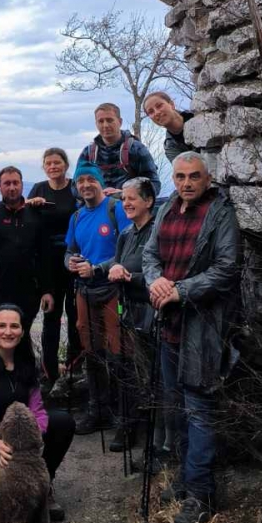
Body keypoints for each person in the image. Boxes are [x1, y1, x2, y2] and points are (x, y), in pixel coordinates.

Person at [142, 153, 242, 523]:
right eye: (180, 176)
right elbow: (151, 254)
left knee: (198, 410)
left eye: (194, 177)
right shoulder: (168, 208)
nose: (186, 183)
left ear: (207, 179)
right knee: (176, 408)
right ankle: (186, 478)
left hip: (202, 327)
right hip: (169, 325)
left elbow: (227, 269)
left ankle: (201, 494)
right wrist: (155, 281)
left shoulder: (219, 214)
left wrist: (181, 291)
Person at [0, 305, 75, 521]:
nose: (7, 332)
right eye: (1, 325)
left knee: (61, 421)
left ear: (22, 331)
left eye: (14, 326)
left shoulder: (27, 364)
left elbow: (37, 410)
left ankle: (43, 484)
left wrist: (32, 437)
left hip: (21, 449)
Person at [106, 177, 171, 461]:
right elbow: (117, 261)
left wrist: (130, 276)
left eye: (132, 198)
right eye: (123, 199)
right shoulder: (126, 234)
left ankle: (162, 444)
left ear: (149, 201)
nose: (126, 204)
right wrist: (114, 268)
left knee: (159, 378)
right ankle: (136, 430)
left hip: (154, 313)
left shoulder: (160, 232)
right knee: (132, 372)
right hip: (130, 313)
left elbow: (164, 276)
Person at [64, 165, 128, 436]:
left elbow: (128, 250)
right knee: (91, 350)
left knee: (118, 352)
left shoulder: (116, 209)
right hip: (85, 290)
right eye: (81, 180)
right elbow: (70, 250)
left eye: (91, 179)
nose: (86, 185)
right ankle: (97, 410)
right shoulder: (77, 216)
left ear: (101, 182)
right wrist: (70, 262)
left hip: (113, 289)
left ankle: (123, 417)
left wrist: (98, 269)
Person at [0, 166, 53, 336]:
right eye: (7, 183)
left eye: (16, 183)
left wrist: (47, 290)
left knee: (23, 336)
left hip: (29, 289)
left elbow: (45, 255)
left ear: (22, 185)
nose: (12, 187)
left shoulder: (36, 215)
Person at [26, 148, 80, 390]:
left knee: (76, 318)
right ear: (44, 167)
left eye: (57, 162)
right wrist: (31, 205)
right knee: (51, 318)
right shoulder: (39, 189)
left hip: (74, 258)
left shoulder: (75, 188)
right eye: (48, 163)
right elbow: (26, 217)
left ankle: (74, 369)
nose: (53, 166)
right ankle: (50, 373)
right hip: (48, 262)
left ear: (66, 165)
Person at [76, 101, 161, 199]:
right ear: (96, 124)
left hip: (129, 205)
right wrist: (97, 194)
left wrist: (124, 193)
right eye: (101, 121)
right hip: (97, 206)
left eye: (109, 120)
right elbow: (75, 187)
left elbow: (154, 185)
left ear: (120, 122)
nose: (105, 125)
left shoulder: (136, 149)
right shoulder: (88, 153)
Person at [143, 91, 196, 165]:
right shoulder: (170, 147)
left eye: (159, 106)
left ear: (172, 104)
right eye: (151, 112)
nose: (157, 113)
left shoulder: (200, 117)